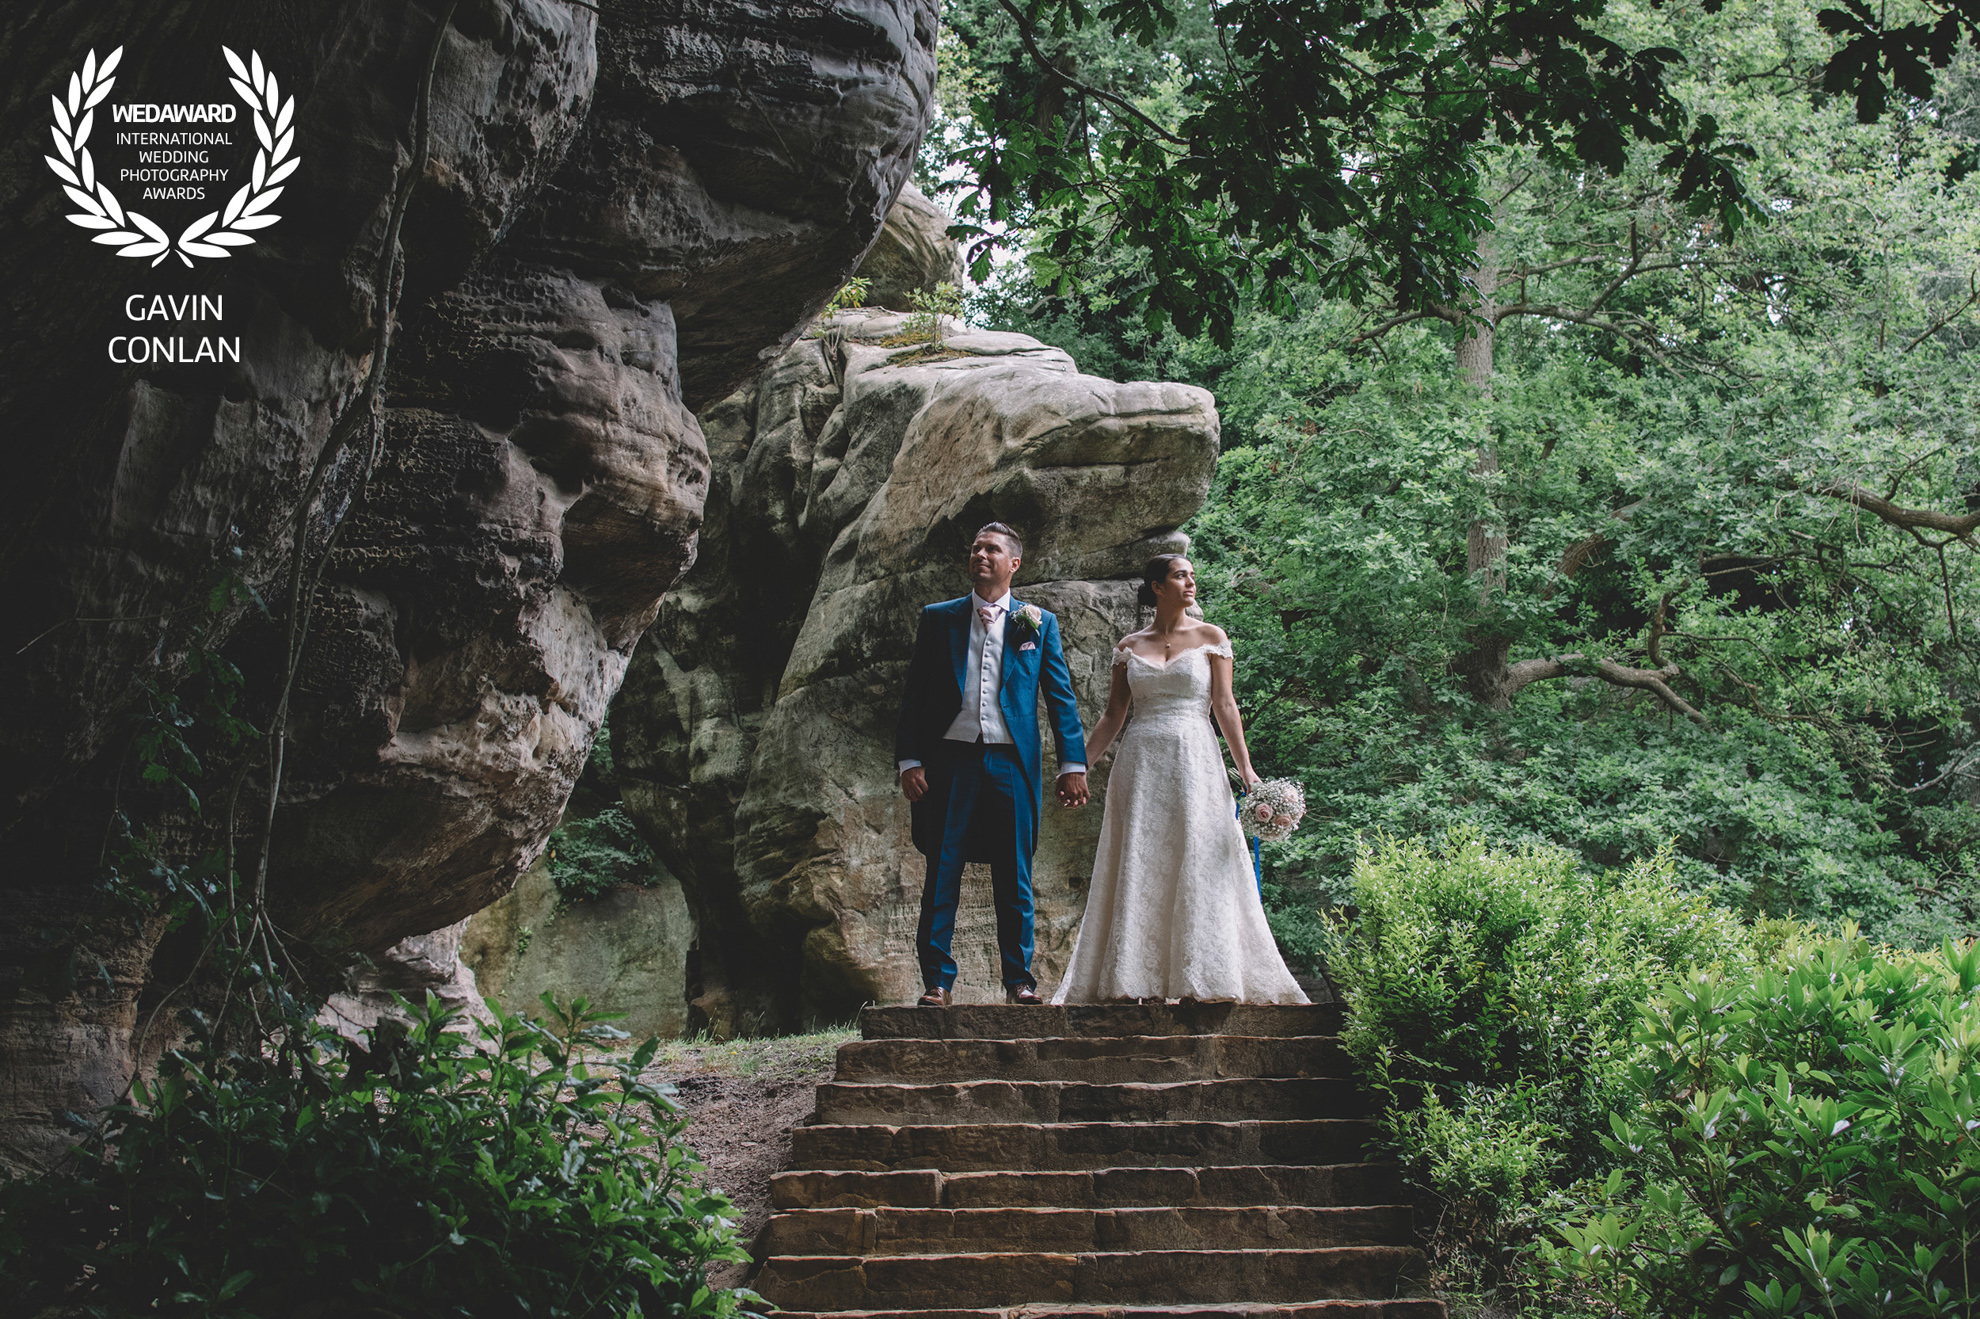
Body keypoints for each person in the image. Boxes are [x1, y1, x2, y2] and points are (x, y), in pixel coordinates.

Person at [1050, 554, 1308, 1005]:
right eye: (1180, 575)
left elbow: (1225, 706)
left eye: (1191, 576)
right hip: (1141, 764)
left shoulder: (1212, 638)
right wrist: (1079, 766)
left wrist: (1246, 770)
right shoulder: (1129, 646)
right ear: (1156, 586)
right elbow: (1114, 714)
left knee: (1198, 856)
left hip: (1197, 760)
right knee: (1140, 859)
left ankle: (1202, 976)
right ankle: (1134, 978)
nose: (1190, 582)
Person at [894, 523, 1089, 1007]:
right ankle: (937, 982)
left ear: (1013, 563)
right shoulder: (938, 618)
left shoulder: (1037, 622)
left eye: (992, 549)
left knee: (1015, 874)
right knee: (942, 871)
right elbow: (914, 694)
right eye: (977, 548)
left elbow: (1060, 699)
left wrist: (1073, 763)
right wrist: (910, 759)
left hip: (1011, 762)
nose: (981, 554)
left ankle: (1019, 981)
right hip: (949, 761)